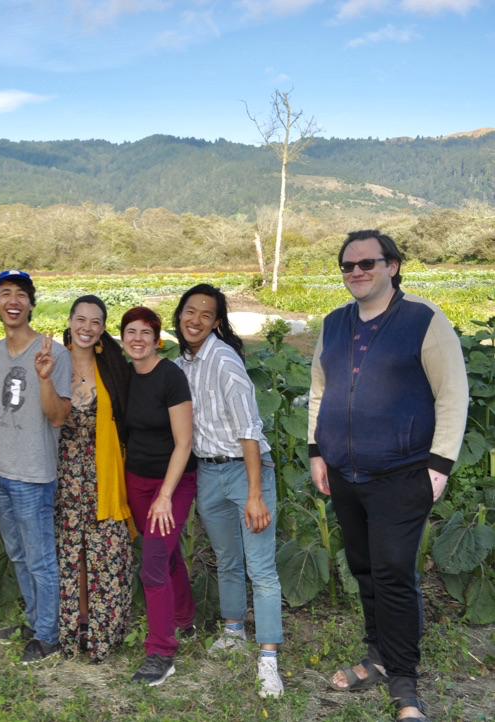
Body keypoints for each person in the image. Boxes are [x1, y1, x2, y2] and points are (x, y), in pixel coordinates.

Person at [310, 231, 468, 722]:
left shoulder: (424, 319)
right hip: (344, 473)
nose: (356, 272)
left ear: (393, 266)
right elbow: (320, 389)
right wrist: (317, 451)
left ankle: (404, 683)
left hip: (402, 474)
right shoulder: (334, 324)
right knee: (364, 570)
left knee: (395, 575)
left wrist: (438, 467)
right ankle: (376, 654)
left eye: (367, 263)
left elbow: (453, 394)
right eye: (347, 265)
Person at [173, 283, 285, 699]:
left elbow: (248, 429)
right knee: (226, 558)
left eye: (205, 314)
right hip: (209, 472)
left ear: (217, 322)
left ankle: (269, 658)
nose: (195, 319)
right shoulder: (185, 362)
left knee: (261, 567)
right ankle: (234, 631)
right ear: (179, 314)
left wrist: (254, 492)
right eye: (190, 311)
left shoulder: (222, 359)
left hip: (244, 472)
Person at [0, 270, 72, 665]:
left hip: (34, 475)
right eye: (5, 294)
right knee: (17, 555)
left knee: (39, 559)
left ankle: (48, 636)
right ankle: (37, 621)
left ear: (32, 304)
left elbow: (58, 418)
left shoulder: (55, 354)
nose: (13, 301)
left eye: (21, 294)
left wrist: (44, 377)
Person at [54, 295, 133, 663]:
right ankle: (76, 625)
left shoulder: (114, 366)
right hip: (62, 473)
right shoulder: (52, 362)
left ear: (103, 329)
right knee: (71, 552)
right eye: (80, 319)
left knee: (107, 553)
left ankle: (105, 630)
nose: (86, 327)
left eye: (95, 321)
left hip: (105, 473)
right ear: (69, 322)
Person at [121, 306, 196, 685]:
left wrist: (165, 495)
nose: (137, 339)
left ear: (157, 339)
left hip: (174, 481)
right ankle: (184, 618)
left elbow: (184, 443)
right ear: (122, 339)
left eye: (145, 333)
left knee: (152, 563)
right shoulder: (125, 376)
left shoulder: (171, 376)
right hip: (136, 479)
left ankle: (161, 652)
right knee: (163, 555)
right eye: (130, 332)